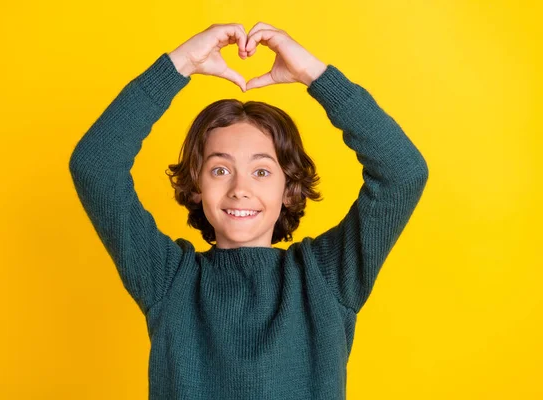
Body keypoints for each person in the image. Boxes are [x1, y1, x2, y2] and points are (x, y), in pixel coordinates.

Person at [69, 22, 428, 400]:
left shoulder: (327, 276)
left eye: (261, 171)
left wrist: (313, 75)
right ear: (196, 188)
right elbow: (95, 165)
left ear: (289, 189)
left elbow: (402, 173)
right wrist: (180, 64)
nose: (240, 190)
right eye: (220, 170)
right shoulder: (168, 279)